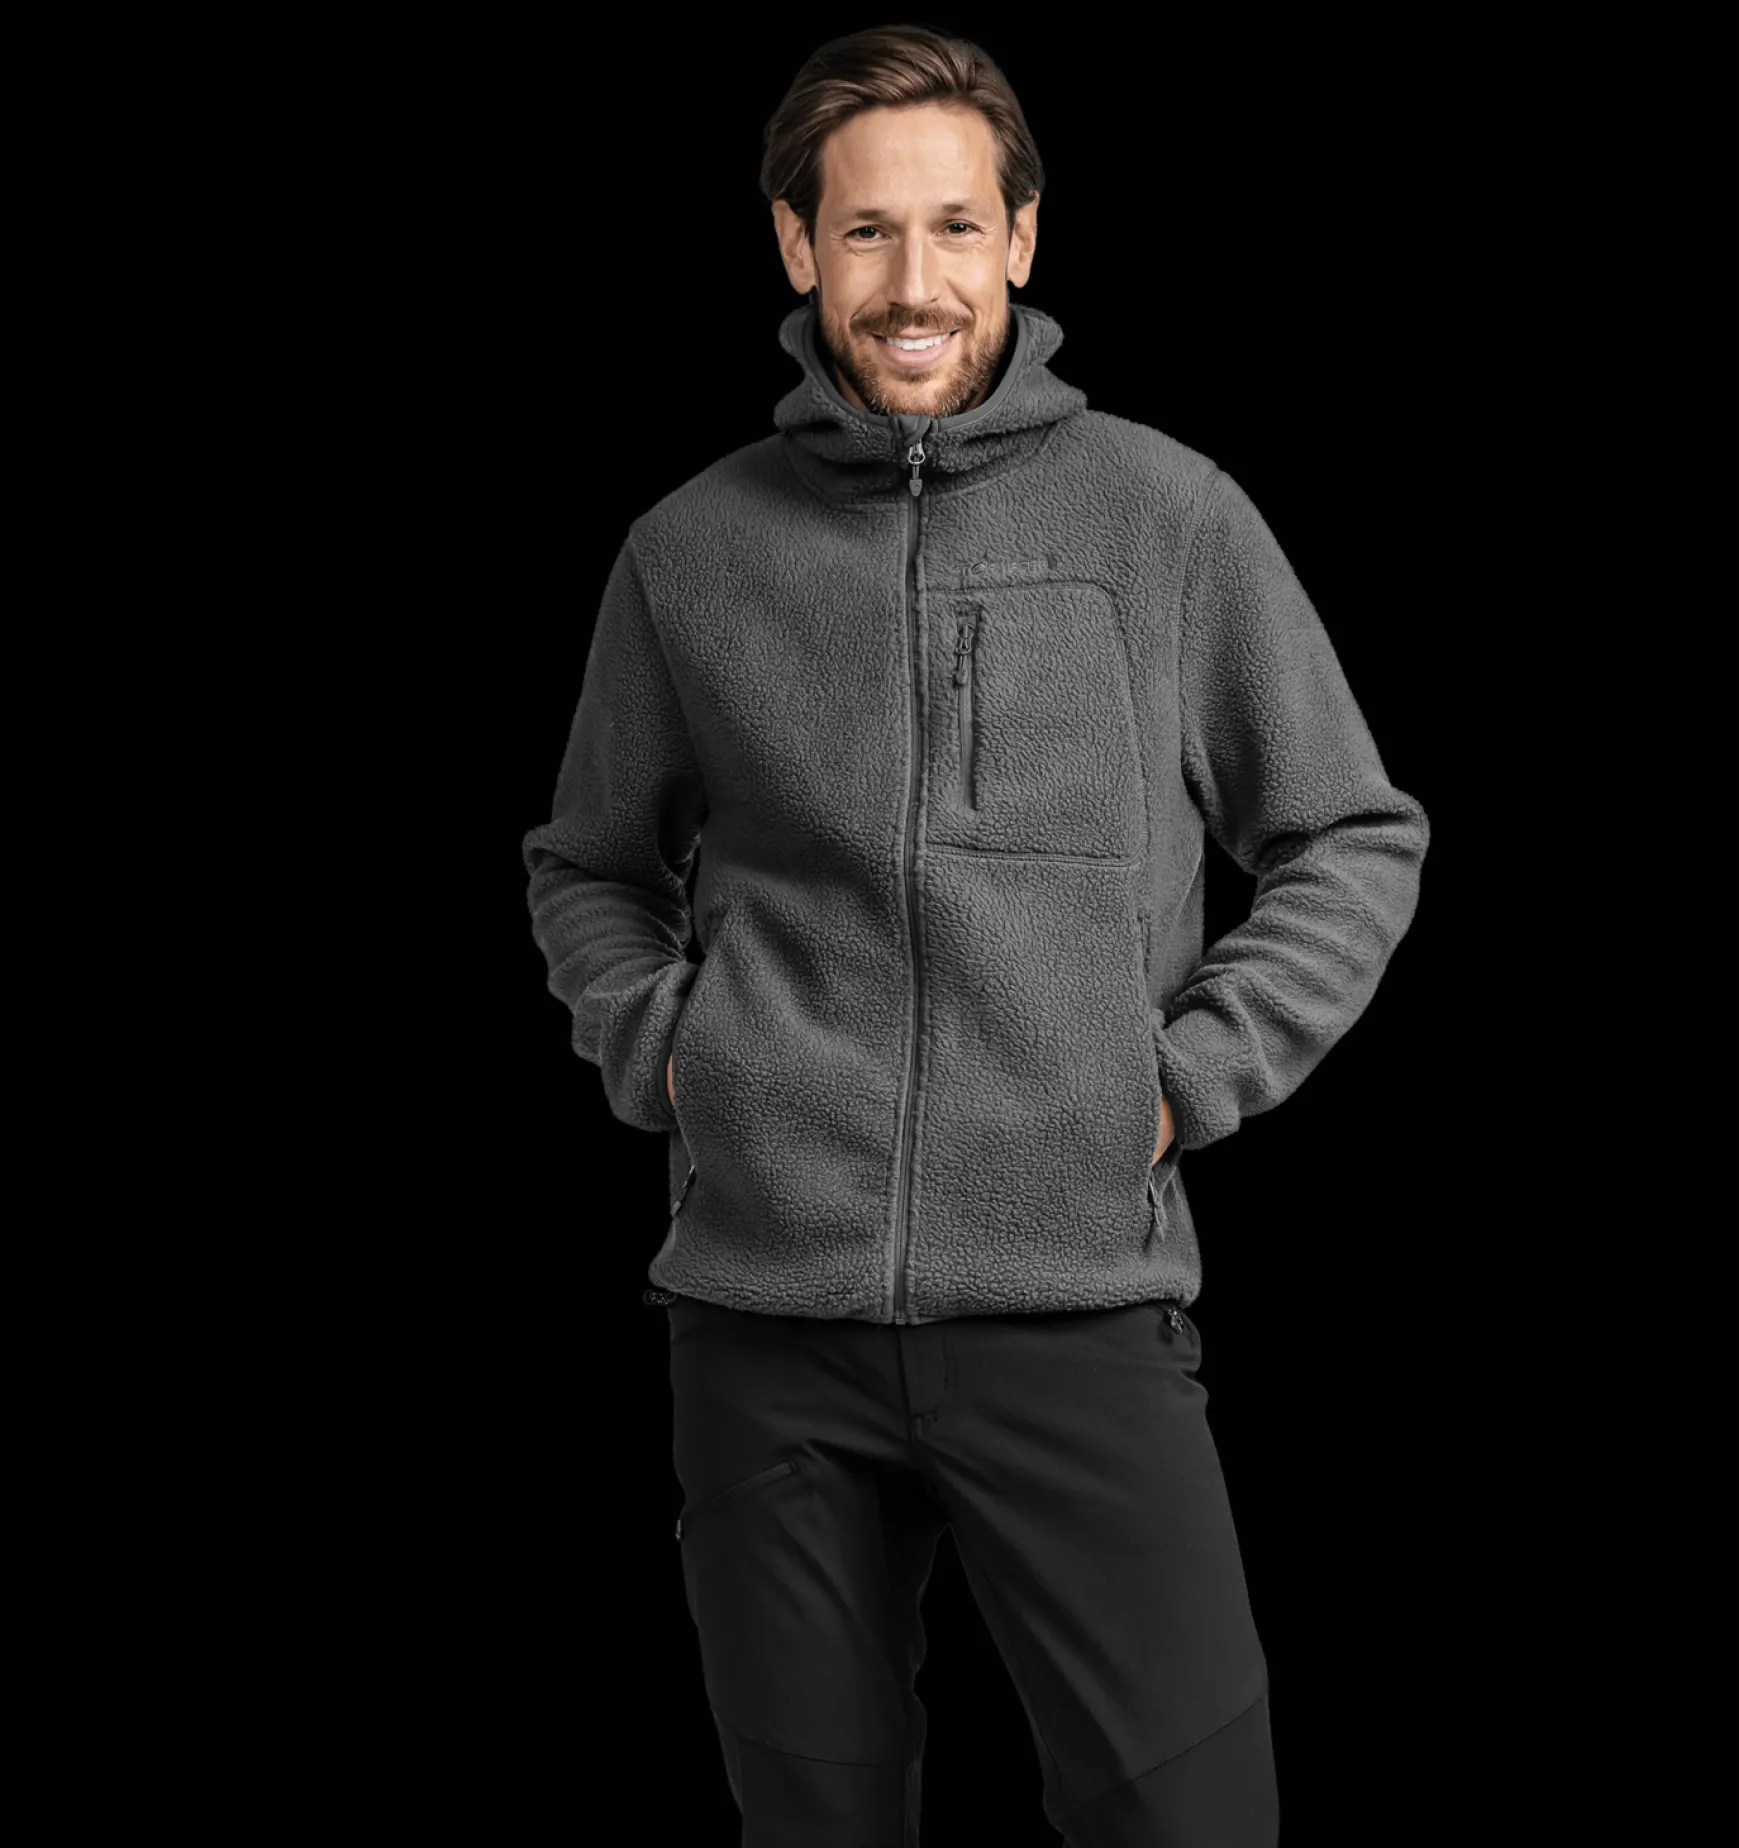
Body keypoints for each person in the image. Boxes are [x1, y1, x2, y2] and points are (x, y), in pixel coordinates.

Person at [521, 24, 1429, 1845]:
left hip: (1076, 1298)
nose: (912, 282)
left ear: (1021, 236)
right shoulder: (689, 551)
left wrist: (1173, 1085)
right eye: (865, 231)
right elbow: (590, 864)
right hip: (765, 1323)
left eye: (953, 226)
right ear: (798, 246)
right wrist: (686, 1064)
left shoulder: (1167, 518)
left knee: (1194, 1816)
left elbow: (1349, 831)